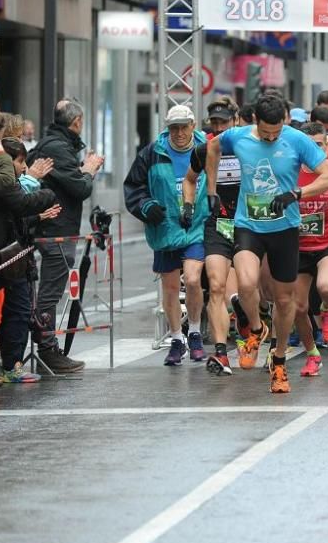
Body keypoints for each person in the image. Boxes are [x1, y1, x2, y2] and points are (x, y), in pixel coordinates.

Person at [204, 92, 328, 393]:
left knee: (283, 300)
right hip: (248, 223)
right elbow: (211, 147)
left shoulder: (296, 140)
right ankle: (255, 328)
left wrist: (296, 194)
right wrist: (211, 191)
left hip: (285, 229)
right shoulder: (237, 136)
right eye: (265, 132)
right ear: (255, 121)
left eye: (276, 132)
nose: (270, 137)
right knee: (247, 283)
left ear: (284, 122)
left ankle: (278, 360)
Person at [124, 105, 210, 366]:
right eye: (174, 128)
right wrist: (147, 206)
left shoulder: (208, 148)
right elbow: (134, 187)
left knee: (193, 280)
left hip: (197, 225)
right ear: (167, 128)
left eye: (184, 127)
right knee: (170, 287)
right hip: (165, 228)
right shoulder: (152, 153)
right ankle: (176, 339)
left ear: (193, 125)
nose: (180, 133)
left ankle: (194, 333)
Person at [27, 99, 104, 373]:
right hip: (56, 229)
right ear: (77, 122)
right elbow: (79, 188)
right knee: (50, 292)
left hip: (54, 227)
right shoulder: (57, 148)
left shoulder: (55, 144)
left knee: (44, 291)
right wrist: (89, 170)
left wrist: (80, 171)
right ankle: (47, 350)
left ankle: (42, 348)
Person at [0, 137, 58, 384]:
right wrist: (47, 193)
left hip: (0, 254)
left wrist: (37, 217)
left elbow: (15, 213)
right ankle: (9, 365)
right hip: (2, 256)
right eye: (19, 161)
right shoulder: (0, 181)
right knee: (15, 310)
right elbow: (18, 201)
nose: (23, 167)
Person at [182, 97, 241, 374]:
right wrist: (189, 205)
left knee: (254, 290)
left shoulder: (247, 148)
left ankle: (255, 324)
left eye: (224, 122)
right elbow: (189, 180)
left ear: (235, 121)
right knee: (216, 286)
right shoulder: (203, 150)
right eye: (214, 123)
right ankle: (220, 352)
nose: (218, 127)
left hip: (249, 225)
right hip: (217, 224)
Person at [293, 123, 328, 376]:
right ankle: (312, 354)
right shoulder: (290, 174)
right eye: (309, 145)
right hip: (298, 246)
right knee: (298, 307)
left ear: (327, 145)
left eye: (319, 144)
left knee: (326, 286)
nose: (314, 150)